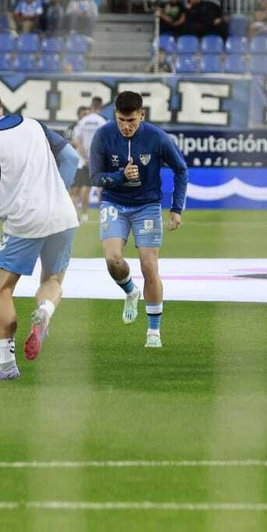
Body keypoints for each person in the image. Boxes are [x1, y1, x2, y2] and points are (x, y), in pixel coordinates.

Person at [0, 77, 83, 380]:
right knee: (52, 279)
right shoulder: (34, 125)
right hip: (63, 214)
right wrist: (58, 192)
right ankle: (45, 311)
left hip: (25, 221)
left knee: (1, 288)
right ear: (0, 103)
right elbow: (70, 157)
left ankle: (7, 365)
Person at [88, 92, 188, 348]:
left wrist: (176, 208)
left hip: (147, 205)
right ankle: (130, 291)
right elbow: (95, 177)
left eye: (131, 120)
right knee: (113, 260)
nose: (126, 126)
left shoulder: (157, 137)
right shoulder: (103, 135)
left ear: (142, 115)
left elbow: (181, 169)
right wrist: (121, 176)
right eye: (121, 120)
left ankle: (153, 332)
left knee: (149, 266)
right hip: (114, 202)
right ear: (115, 115)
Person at [68, 99, 106, 221]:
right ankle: (86, 215)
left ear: (91, 106)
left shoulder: (82, 122)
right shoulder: (102, 121)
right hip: (96, 160)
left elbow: (77, 142)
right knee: (88, 188)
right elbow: (105, 142)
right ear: (101, 106)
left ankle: (74, 216)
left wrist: (85, 157)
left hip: (81, 161)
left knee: (76, 189)